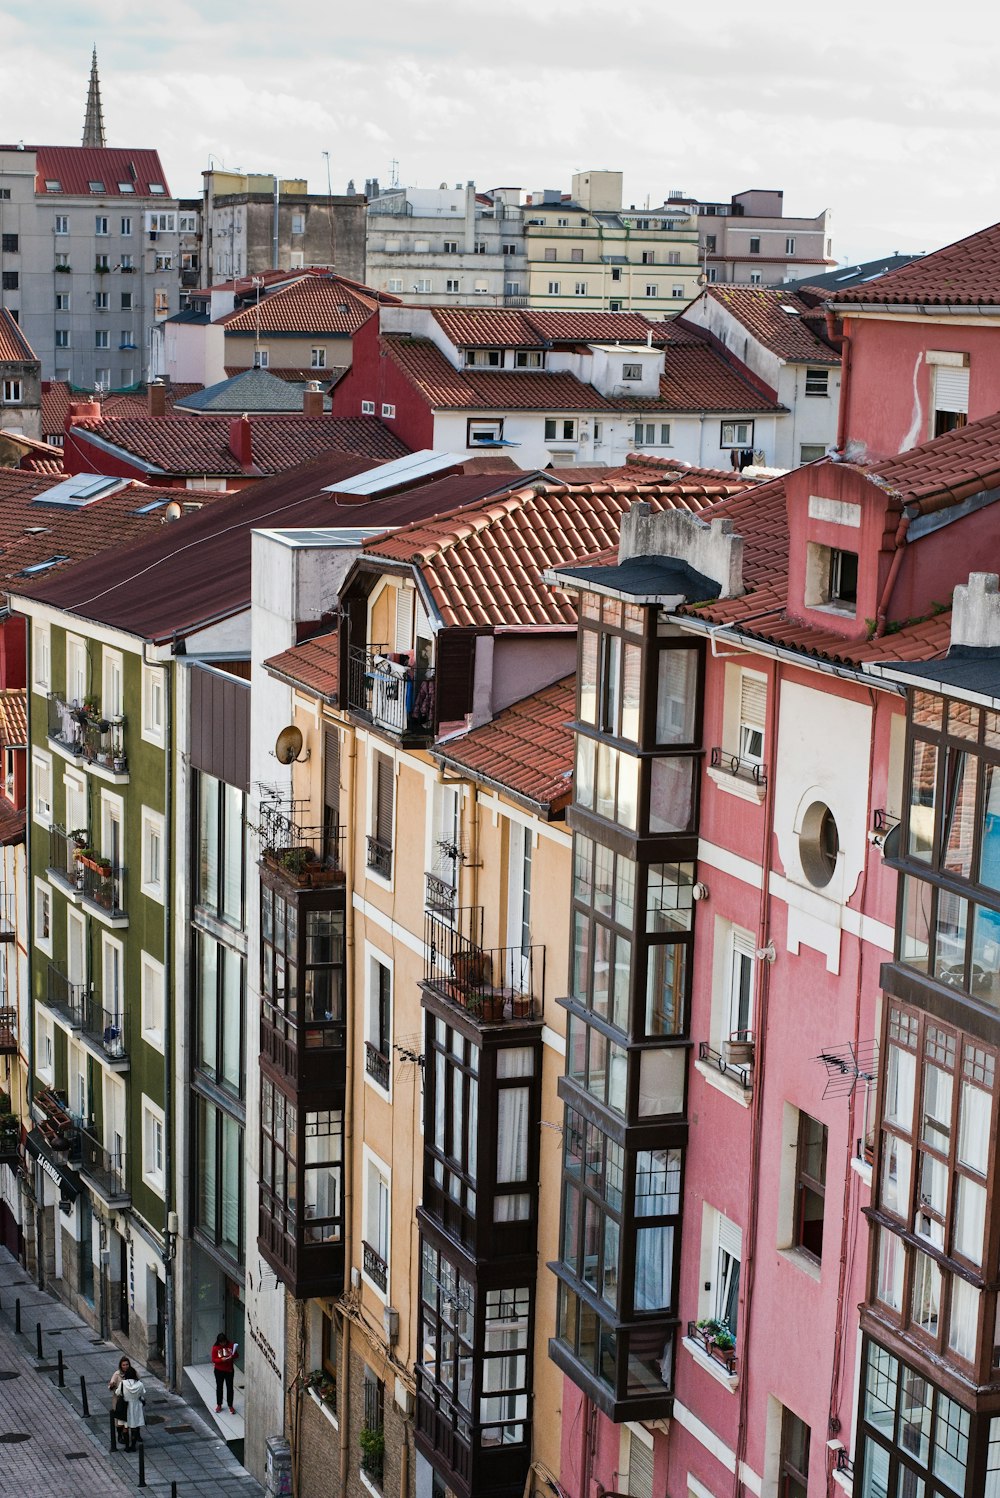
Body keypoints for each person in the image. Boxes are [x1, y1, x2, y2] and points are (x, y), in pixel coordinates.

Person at [108, 1356, 136, 1444]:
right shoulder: (117, 1374)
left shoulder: (132, 1372)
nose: (125, 1366)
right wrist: (112, 1386)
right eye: (123, 1365)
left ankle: (134, 1434)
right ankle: (120, 1434)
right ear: (121, 1366)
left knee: (132, 1417)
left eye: (127, 1364)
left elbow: (138, 1380)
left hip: (130, 1400)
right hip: (119, 1399)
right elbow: (111, 1386)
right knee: (120, 1419)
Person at [120, 1370, 146, 1452]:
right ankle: (133, 1446)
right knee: (134, 1427)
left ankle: (127, 1446)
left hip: (125, 1407)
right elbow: (142, 1393)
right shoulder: (140, 1384)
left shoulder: (123, 1383)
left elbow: (118, 1393)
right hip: (136, 1407)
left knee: (125, 1426)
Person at [212, 1331, 237, 1414]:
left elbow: (236, 1355)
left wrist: (232, 1356)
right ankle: (219, 1404)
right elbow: (214, 1359)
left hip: (229, 1370)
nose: (223, 1344)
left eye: (224, 1342)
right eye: (221, 1342)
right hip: (219, 1370)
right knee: (219, 1387)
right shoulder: (215, 1348)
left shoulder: (231, 1345)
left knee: (229, 1388)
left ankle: (230, 1405)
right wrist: (221, 1360)